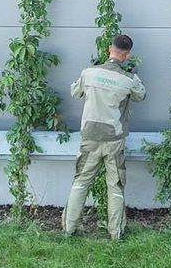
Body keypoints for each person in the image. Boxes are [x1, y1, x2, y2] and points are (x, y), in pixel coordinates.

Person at [62, 33, 146, 239]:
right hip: (114, 140)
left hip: (89, 137)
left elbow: (75, 92)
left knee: (81, 182)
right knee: (115, 186)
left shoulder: (88, 73)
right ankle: (115, 233)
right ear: (127, 55)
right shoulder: (129, 79)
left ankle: (68, 229)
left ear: (110, 48)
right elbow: (141, 96)